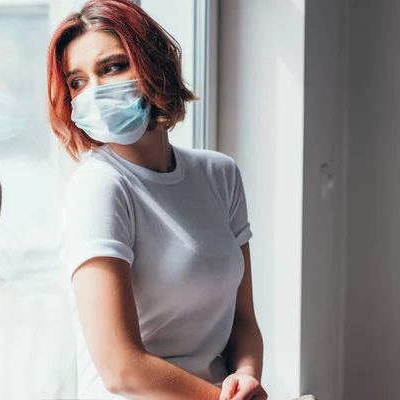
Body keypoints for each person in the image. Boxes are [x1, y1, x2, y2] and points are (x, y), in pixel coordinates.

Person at [48, 1, 267, 399]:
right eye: (77, 81)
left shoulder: (220, 175)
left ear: (153, 65)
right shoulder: (98, 187)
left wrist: (247, 377)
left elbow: (243, 321)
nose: (95, 92)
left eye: (111, 67)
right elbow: (120, 370)